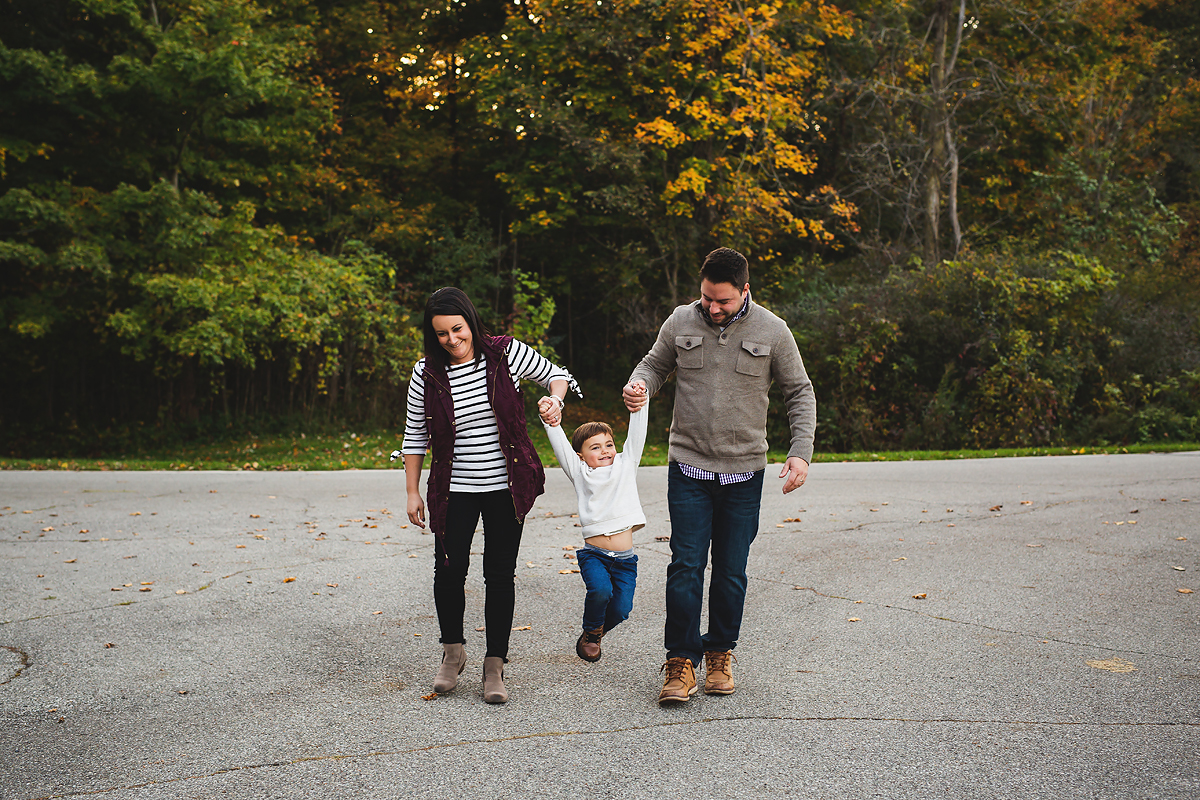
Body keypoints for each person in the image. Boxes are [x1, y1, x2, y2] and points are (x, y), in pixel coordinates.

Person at [623, 247, 816, 704]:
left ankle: (720, 653)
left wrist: (801, 453)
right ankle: (680, 661)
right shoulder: (680, 321)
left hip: (744, 474)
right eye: (707, 298)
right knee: (685, 567)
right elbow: (653, 365)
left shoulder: (774, 330)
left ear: (745, 291)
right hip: (688, 467)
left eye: (723, 301)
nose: (712, 308)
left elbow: (799, 392)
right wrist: (639, 386)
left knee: (731, 571)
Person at [402, 287, 579, 704]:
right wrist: (412, 492)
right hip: (454, 489)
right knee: (448, 571)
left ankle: (494, 664)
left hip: (506, 488)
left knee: (499, 575)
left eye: (458, 329)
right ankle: (453, 653)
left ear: (470, 321)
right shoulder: (426, 372)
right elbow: (415, 436)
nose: (452, 340)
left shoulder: (504, 353)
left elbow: (557, 374)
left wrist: (554, 400)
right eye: (442, 334)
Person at [539, 388, 648, 664]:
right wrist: (549, 419)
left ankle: (596, 632)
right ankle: (590, 632)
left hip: (625, 560)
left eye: (608, 444)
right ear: (581, 455)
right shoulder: (580, 472)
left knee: (622, 609)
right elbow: (560, 443)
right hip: (595, 556)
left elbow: (637, 434)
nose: (605, 451)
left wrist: (639, 404)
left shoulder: (626, 464)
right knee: (600, 592)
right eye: (595, 447)